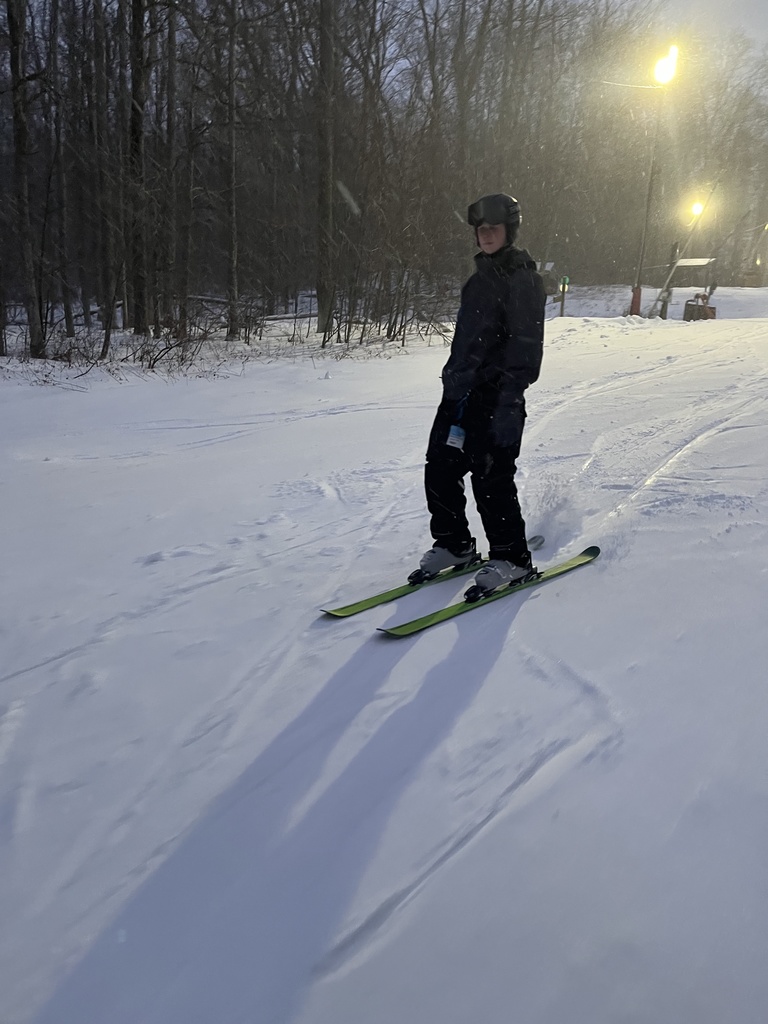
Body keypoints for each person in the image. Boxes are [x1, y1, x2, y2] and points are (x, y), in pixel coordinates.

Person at [411, 193, 546, 598]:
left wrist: (508, 396)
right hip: (460, 394)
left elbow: (525, 348)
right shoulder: (478, 279)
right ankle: (456, 545)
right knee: (440, 467)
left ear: (510, 230)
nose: (486, 235)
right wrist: (453, 381)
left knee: (491, 477)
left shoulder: (523, 278)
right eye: (481, 229)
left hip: (498, 398)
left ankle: (512, 559)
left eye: (494, 228)